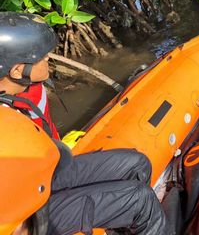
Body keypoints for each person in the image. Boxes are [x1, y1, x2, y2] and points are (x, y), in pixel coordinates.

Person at [0, 12, 170, 235]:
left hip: (47, 174)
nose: (48, 59)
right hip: (29, 215)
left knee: (137, 164)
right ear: (18, 70)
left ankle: (121, 224)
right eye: (41, 57)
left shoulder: (24, 89)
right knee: (141, 201)